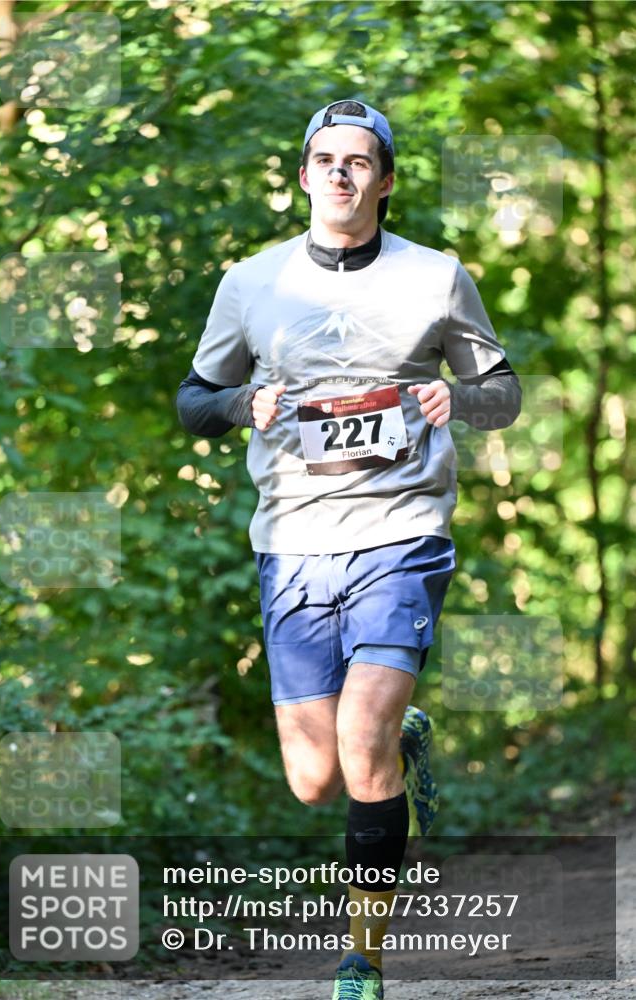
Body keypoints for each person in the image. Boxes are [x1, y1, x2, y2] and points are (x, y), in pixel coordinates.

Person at [176, 99, 521, 999]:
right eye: (323, 160)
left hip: (400, 531)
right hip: (291, 540)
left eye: (358, 161)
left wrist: (463, 401)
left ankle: (359, 959)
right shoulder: (250, 283)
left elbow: (502, 391)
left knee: (358, 738)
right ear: (301, 176)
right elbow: (190, 401)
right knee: (316, 780)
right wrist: (237, 405)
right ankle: (401, 743)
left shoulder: (436, 277)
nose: (339, 173)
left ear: (385, 180)